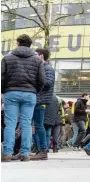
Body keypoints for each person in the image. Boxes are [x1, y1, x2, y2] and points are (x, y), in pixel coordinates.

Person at [1, 34, 45, 162]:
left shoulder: (7, 58)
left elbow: (1, 77)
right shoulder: (37, 60)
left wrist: (4, 91)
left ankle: (7, 153)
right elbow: (42, 80)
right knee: (26, 124)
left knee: (10, 124)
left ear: (18, 43)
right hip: (30, 94)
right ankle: (25, 154)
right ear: (30, 45)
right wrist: (35, 90)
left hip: (11, 93)